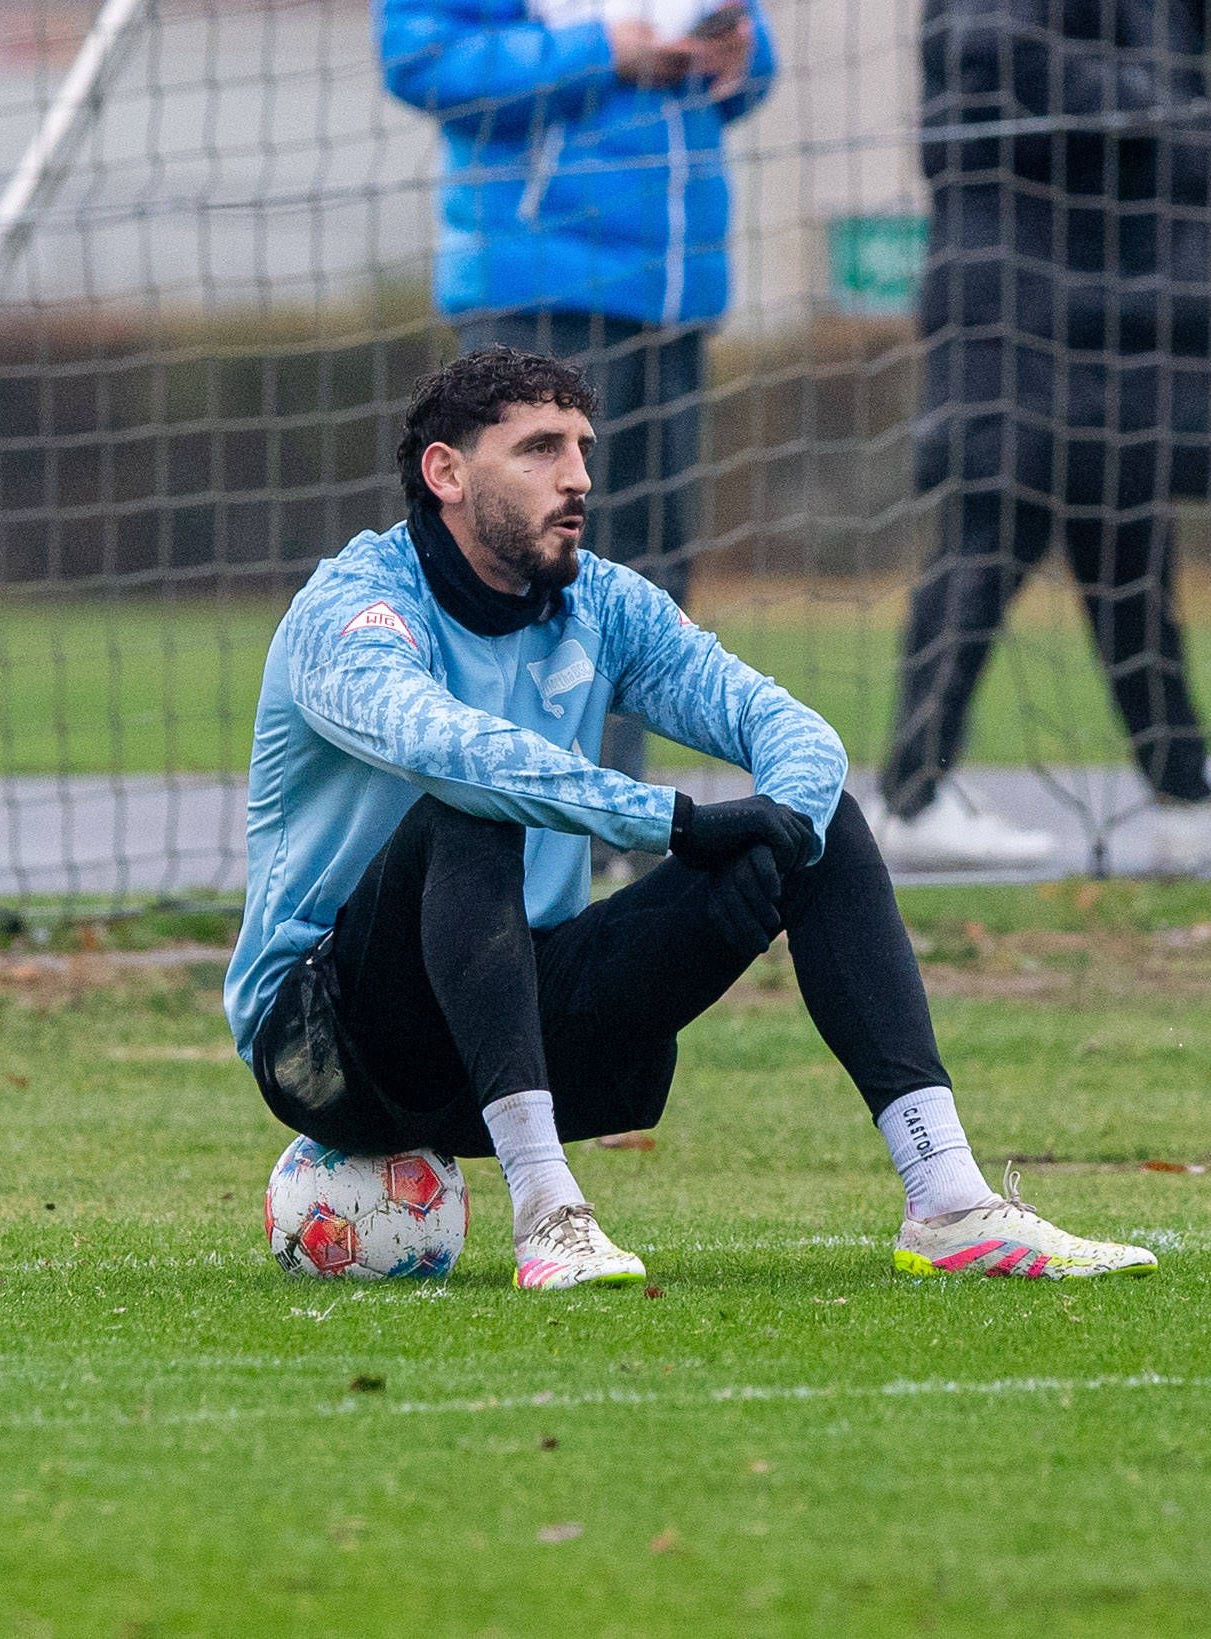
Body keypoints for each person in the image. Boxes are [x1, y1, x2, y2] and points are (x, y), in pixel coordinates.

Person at [224, 347, 1157, 1289]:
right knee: (472, 808)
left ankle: (947, 1194)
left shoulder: (604, 604)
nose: (578, 476)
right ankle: (551, 1212)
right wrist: (671, 820)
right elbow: (454, 752)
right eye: (540, 449)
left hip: (515, 1027)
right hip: (327, 1040)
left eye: (583, 448)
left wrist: (781, 819)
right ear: (447, 472)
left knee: (816, 822)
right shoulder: (355, 608)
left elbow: (783, 723)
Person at [874, 0, 1211, 874]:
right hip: (1022, 295)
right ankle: (910, 795)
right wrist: (1150, 103)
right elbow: (986, 46)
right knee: (991, 536)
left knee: (1129, 549)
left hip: (1116, 293)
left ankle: (1184, 792)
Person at [376, 0, 774, 791]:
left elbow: (745, 73)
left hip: (673, 291)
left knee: (648, 571)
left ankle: (607, 811)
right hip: (541, 282)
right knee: (515, 555)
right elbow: (419, 56)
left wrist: (740, 54)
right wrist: (599, 51)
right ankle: (488, 801)